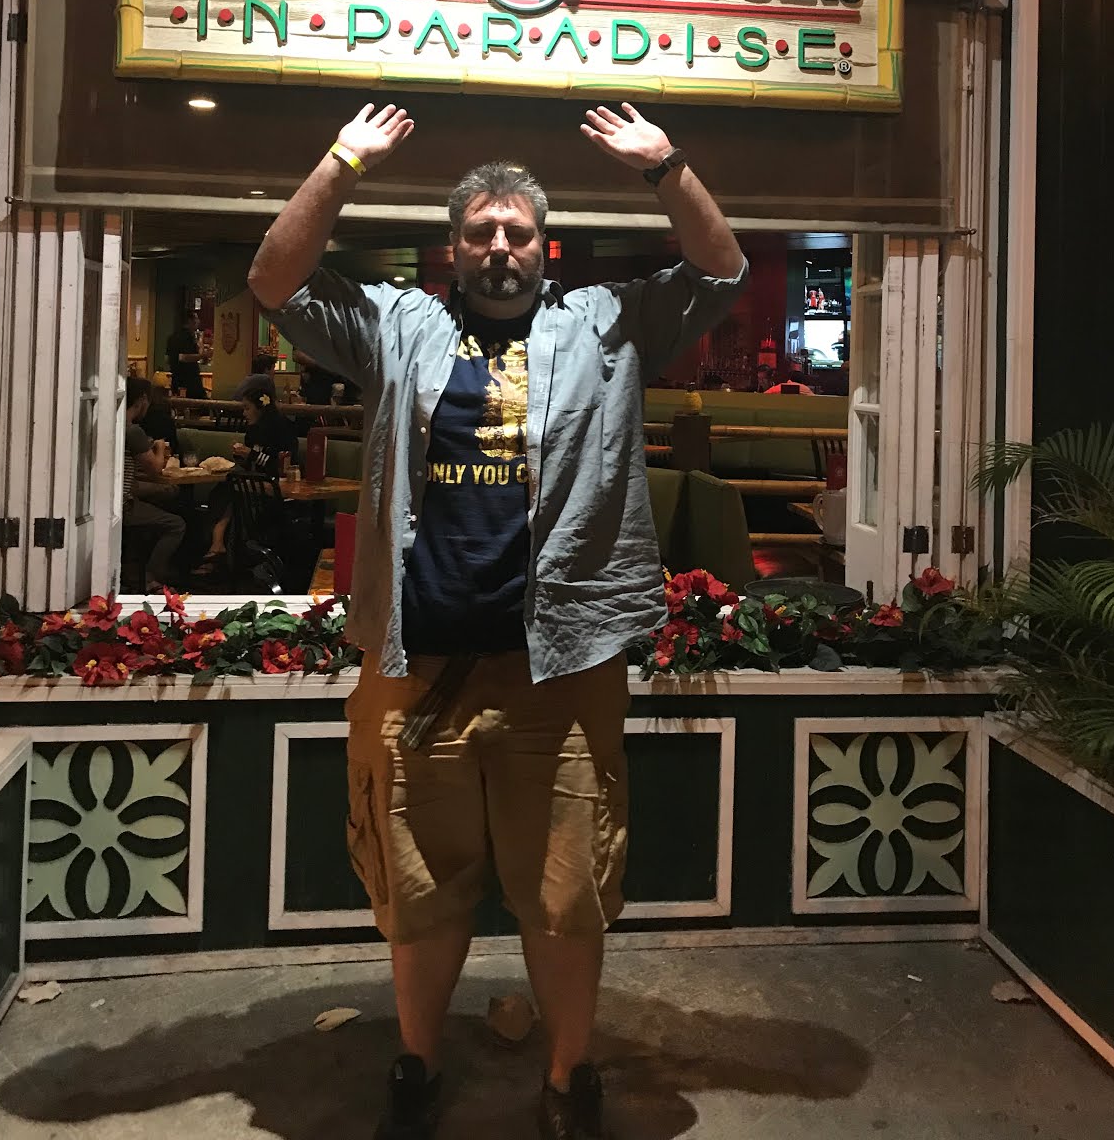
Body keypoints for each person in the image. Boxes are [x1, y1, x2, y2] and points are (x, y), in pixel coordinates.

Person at [248, 101, 746, 1140]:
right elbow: (274, 282)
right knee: (419, 890)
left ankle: (568, 1077)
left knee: (565, 893)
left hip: (559, 670)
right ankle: (417, 1063)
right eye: (481, 231)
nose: (501, 246)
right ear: (454, 247)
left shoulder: (606, 323)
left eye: (518, 231)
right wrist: (341, 163)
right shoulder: (398, 325)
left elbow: (721, 269)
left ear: (544, 247)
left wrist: (666, 166)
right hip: (415, 664)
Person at [193, 387, 302, 573]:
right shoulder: (253, 430)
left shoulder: (283, 430)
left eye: (247, 408)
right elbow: (252, 462)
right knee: (223, 492)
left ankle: (219, 550)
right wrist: (241, 457)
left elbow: (279, 465)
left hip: (276, 489)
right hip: (254, 485)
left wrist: (250, 454)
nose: (244, 413)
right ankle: (219, 549)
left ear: (261, 408)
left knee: (233, 496)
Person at [123, 377, 185, 592]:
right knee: (176, 524)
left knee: (168, 493)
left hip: (114, 496)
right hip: (123, 503)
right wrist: (159, 446)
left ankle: (132, 569)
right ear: (142, 399)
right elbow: (155, 468)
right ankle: (152, 579)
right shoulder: (132, 430)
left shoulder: (115, 424)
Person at [166, 322, 205, 398]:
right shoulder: (187, 337)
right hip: (190, 381)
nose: (198, 322)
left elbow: (167, 359)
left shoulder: (172, 337)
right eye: (196, 319)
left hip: (176, 380)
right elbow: (183, 357)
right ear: (190, 321)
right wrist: (203, 355)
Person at [140, 383, 180, 456]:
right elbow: (174, 447)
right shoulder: (168, 421)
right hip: (164, 455)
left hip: (145, 455)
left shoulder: (141, 418)